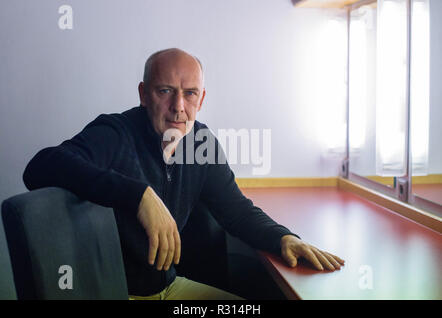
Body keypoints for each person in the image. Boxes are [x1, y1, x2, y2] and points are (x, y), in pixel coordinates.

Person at [23, 48, 344, 300]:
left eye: (190, 93)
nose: (178, 105)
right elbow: (42, 165)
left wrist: (283, 237)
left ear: (201, 99)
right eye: (165, 91)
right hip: (120, 293)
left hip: (171, 289)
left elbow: (236, 210)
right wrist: (139, 196)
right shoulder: (116, 132)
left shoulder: (201, 142)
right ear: (144, 93)